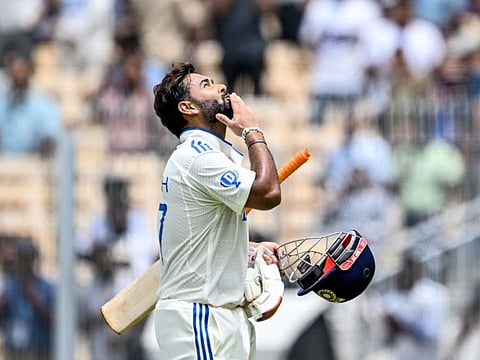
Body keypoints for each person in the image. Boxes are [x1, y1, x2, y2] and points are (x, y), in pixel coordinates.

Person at [151, 62, 282, 359]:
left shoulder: (207, 156)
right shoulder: (198, 158)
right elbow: (269, 192)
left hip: (218, 317)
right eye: (207, 85)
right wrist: (252, 130)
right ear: (188, 107)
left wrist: (245, 250)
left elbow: (200, 235)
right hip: (199, 315)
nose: (221, 87)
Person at [380, 249, 450, 360]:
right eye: (404, 269)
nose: (406, 273)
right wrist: (392, 324)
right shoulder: (396, 297)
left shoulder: (433, 293)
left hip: (427, 354)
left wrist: (407, 325)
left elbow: (431, 332)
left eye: (410, 268)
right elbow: (388, 338)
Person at [0, 237, 55, 360]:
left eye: (28, 259)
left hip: (39, 351)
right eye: (21, 259)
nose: (24, 264)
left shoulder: (46, 288)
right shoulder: (10, 287)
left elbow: (56, 320)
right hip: (14, 352)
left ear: (34, 261)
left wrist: (36, 301)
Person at [0, 52, 61, 157]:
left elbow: (50, 137)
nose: (18, 77)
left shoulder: (43, 103)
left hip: (33, 163)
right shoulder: (3, 102)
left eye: (21, 72)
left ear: (29, 73)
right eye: (14, 73)